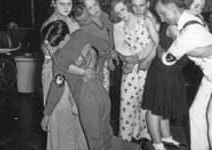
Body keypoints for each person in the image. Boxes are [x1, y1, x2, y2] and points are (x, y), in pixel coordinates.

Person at [155, 0, 212, 150]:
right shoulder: (191, 18)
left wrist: (159, 47)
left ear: (172, 8)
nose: (162, 19)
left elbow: (167, 60)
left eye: (163, 14)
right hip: (211, 72)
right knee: (196, 112)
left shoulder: (186, 33)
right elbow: (200, 49)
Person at [41, 20, 140, 150]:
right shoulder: (81, 34)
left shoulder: (59, 58)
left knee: (97, 144)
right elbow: (105, 47)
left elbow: (57, 86)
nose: (54, 49)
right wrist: (98, 66)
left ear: (66, 37)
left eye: (56, 45)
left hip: (87, 100)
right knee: (107, 137)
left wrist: (47, 113)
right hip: (100, 92)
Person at [39, 0, 88, 150]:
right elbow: (59, 63)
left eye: (69, 3)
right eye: (62, 3)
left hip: (73, 72)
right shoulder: (48, 26)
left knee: (79, 120)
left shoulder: (74, 22)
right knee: (60, 119)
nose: (66, 7)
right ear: (53, 3)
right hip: (55, 74)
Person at [111, 0, 159, 144]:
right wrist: (129, 60)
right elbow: (120, 50)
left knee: (145, 103)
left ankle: (145, 138)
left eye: (124, 9)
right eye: (118, 12)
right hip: (129, 69)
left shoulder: (146, 19)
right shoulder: (118, 25)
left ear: (129, 7)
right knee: (127, 102)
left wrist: (137, 60)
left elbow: (155, 43)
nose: (122, 14)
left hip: (147, 67)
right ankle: (125, 140)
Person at [73, 0, 118, 92]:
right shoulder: (85, 26)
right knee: (97, 88)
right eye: (90, 8)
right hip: (95, 61)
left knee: (105, 88)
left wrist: (113, 48)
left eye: (95, 4)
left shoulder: (103, 16)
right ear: (85, 10)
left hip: (107, 55)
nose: (95, 9)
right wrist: (100, 63)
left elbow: (113, 29)